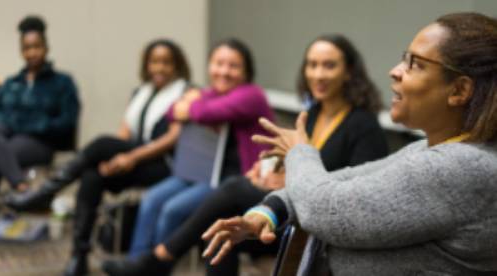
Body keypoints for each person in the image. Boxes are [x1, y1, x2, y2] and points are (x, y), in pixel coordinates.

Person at [203, 12, 497, 276]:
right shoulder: (432, 148)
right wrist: (268, 211)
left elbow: (325, 208)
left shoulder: (462, 166)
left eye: (414, 64)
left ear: (459, 90)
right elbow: (338, 182)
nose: (395, 71)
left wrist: (298, 153)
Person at [103, 34, 389, 276]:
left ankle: (160, 258)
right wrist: (270, 171)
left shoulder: (363, 125)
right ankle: (157, 259)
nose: (318, 74)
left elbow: (357, 192)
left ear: (349, 71)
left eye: (329, 66)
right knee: (224, 230)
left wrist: (293, 182)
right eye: (312, 65)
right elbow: (293, 159)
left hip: (322, 229)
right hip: (290, 214)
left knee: (232, 189)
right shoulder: (312, 115)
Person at [7, 38, 191, 276]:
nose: (159, 68)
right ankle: (79, 255)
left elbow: (172, 138)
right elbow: (124, 133)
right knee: (92, 175)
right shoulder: (141, 92)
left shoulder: (186, 92)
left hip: (165, 165)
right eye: (154, 62)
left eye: (166, 62)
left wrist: (130, 157)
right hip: (135, 159)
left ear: (177, 65)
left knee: (102, 144)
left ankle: (46, 192)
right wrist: (113, 160)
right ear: (146, 65)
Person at [0, 15, 80, 193]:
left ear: (46, 48)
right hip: (6, 139)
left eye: (36, 47)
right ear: (21, 51)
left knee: (2, 152)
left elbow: (67, 121)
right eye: (27, 48)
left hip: (41, 143)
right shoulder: (12, 83)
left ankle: (21, 187)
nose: (32, 53)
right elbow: (0, 113)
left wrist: (35, 125)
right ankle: (19, 187)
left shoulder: (62, 82)